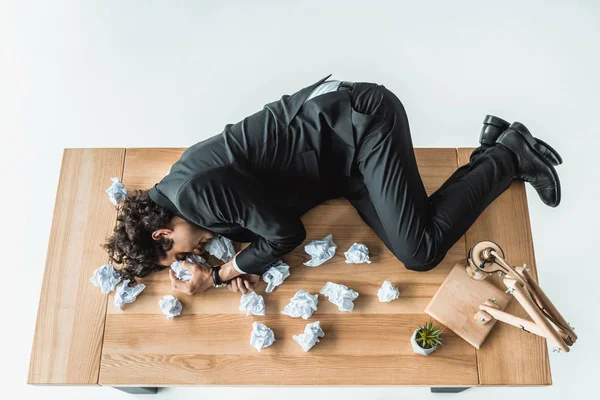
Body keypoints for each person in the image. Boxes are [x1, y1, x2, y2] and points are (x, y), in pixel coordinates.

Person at [103, 75, 562, 296]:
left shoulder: (193, 194)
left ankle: (508, 155)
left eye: (177, 254)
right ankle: (492, 150)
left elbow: (286, 234)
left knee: (421, 253)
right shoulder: (178, 190)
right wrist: (238, 260)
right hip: (337, 167)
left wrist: (223, 274)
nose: (189, 255)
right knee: (415, 239)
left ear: (162, 232)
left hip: (362, 125)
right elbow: (253, 221)